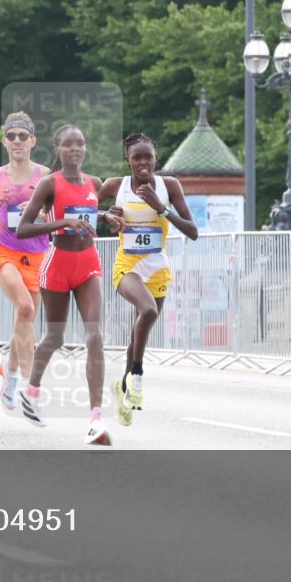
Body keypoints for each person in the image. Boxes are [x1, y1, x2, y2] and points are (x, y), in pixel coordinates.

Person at [16, 125, 124, 445]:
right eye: (68, 144)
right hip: (58, 265)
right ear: (58, 149)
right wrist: (62, 223)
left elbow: (87, 211)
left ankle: (95, 419)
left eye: (80, 143)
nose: (75, 148)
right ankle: (32, 390)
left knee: (94, 336)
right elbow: (24, 229)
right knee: (56, 336)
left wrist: (106, 216)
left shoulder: (95, 183)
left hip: (88, 264)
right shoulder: (49, 184)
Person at [98, 133, 198, 427]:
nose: (143, 163)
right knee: (148, 311)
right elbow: (84, 209)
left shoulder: (169, 186)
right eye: (136, 157)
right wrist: (106, 215)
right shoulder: (116, 186)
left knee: (137, 336)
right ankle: (138, 374)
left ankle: (125, 390)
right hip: (127, 265)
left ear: (156, 158)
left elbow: (192, 231)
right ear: (127, 160)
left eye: (148, 157)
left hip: (157, 267)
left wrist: (161, 208)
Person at [0, 112, 51, 413]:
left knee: (25, 320)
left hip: (38, 255)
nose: (17, 141)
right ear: (5, 141)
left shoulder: (45, 176)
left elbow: (57, 209)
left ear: (32, 141)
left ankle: (10, 372)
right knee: (25, 308)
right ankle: (30, 386)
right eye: (12, 136)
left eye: (23, 136)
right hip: (4, 252)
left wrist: (47, 216)